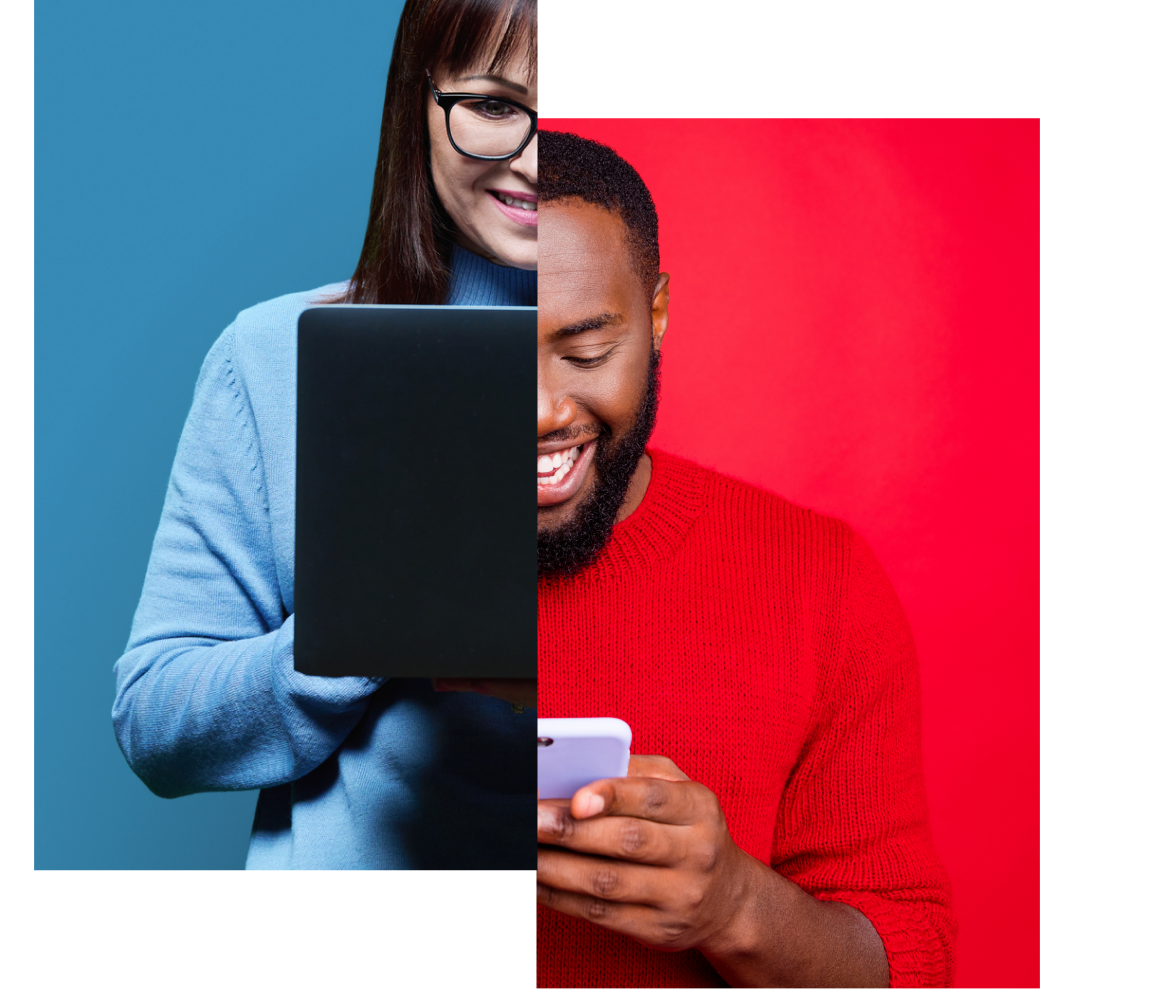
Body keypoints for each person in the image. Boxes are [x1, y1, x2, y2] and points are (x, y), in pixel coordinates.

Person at [112, 0, 538, 871]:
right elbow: (152, 717)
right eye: (494, 105)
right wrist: (351, 630)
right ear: (416, 104)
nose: (536, 159)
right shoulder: (270, 357)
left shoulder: (657, 368)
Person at [535, 131, 955, 987]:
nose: (540, 411)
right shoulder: (351, 559)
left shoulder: (817, 580)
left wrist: (733, 906)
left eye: (586, 351)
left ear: (654, 315)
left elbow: (911, 958)